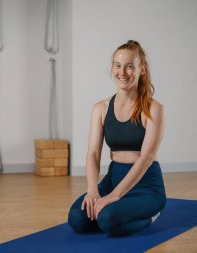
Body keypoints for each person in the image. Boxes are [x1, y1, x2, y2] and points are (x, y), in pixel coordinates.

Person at [68, 40, 166, 236]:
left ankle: (151, 215)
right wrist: (92, 190)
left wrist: (114, 196)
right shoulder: (101, 108)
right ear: (112, 68)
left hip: (146, 186)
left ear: (142, 69)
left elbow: (146, 158)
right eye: (118, 65)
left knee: (107, 219)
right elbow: (93, 154)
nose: (122, 72)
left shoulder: (154, 109)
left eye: (130, 66)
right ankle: (118, 211)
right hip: (113, 179)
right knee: (77, 219)